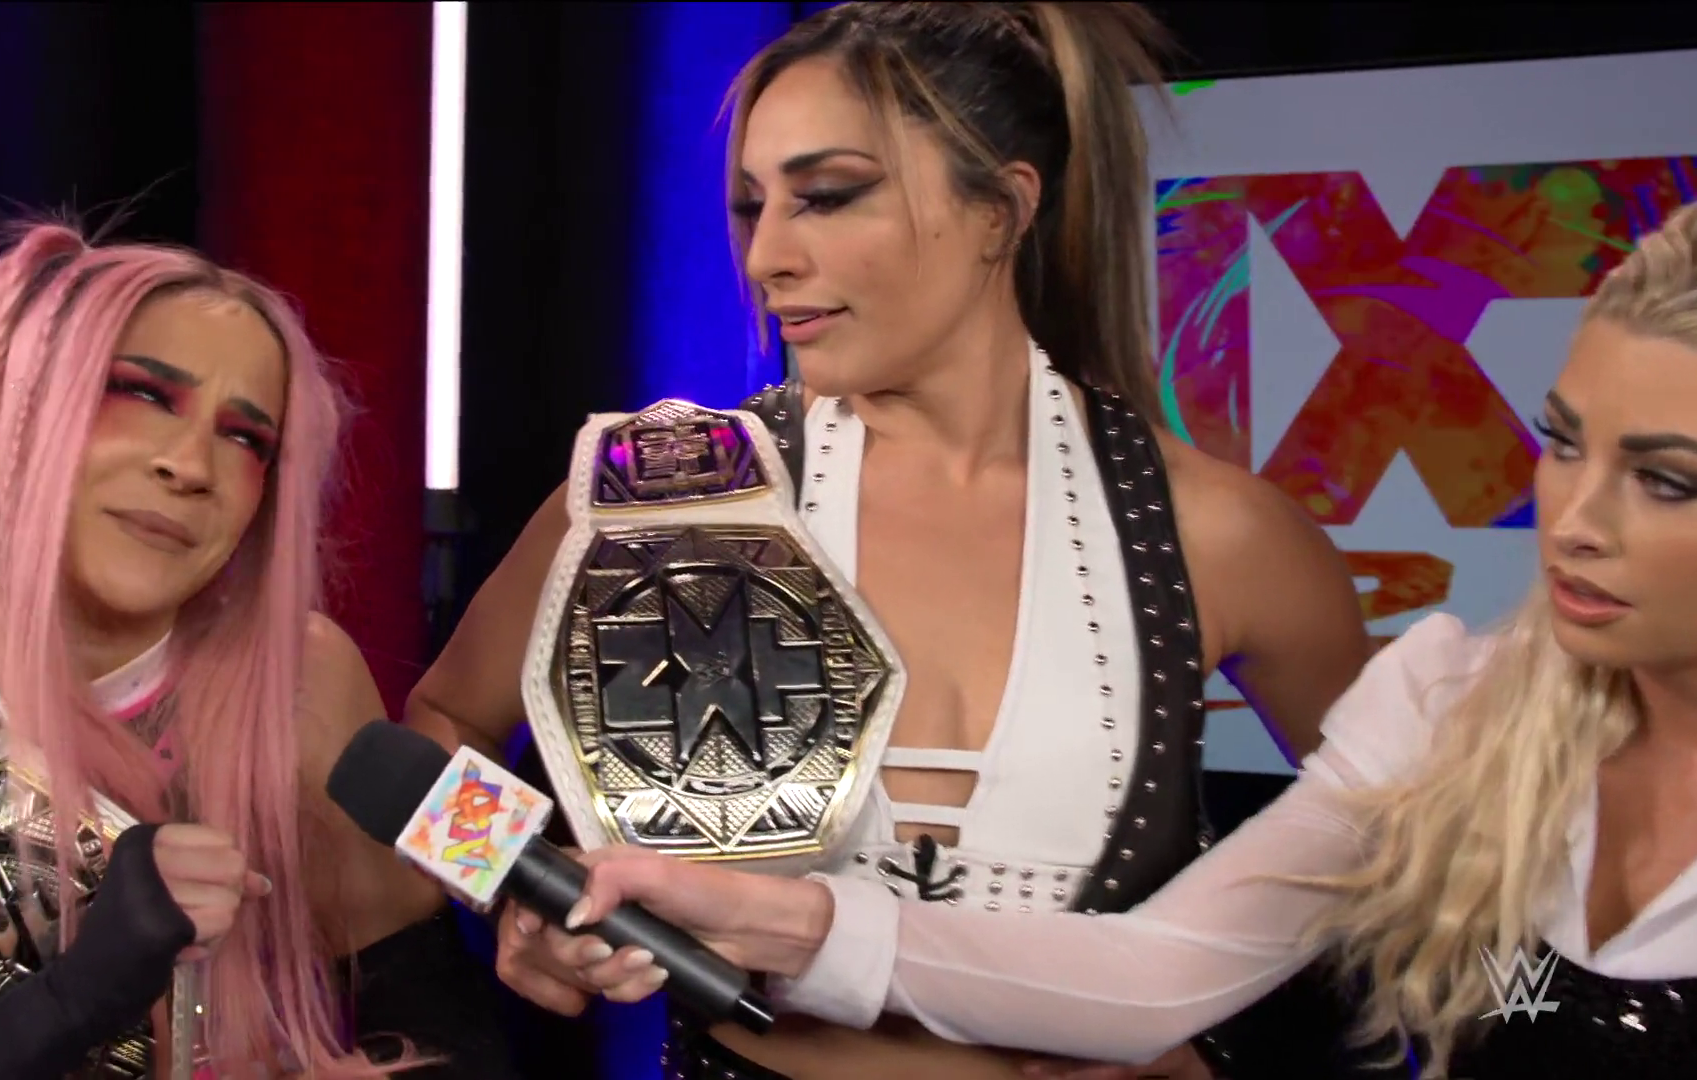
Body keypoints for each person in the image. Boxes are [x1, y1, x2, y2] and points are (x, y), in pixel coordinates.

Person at [406, 4, 1371, 1078]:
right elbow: (436, 729)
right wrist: (514, 885)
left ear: (1003, 209)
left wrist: (1208, 1041)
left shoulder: (1212, 533)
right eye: (753, 205)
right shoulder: (665, 495)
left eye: (827, 196)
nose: (768, 256)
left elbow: (1412, 849)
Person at [536, 200, 1697, 1080]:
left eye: (1665, 480)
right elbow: (1158, 975)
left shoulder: (1210, 528)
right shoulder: (1450, 703)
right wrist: (786, 922)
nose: (1575, 521)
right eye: (1563, 444)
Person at [0, 221, 512, 1078]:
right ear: (18, 415)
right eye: (142, 393)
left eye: (245, 438)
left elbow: (447, 1022)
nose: (190, 464)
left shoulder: (306, 680)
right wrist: (73, 998)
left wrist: (542, 896)